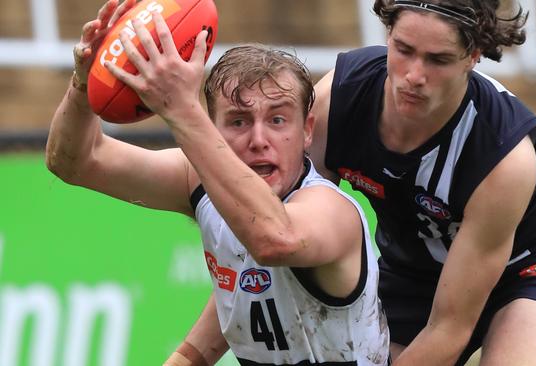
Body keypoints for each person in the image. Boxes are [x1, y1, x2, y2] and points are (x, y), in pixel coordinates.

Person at [45, 1, 389, 365]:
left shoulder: (330, 210)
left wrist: (181, 110)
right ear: (215, 131)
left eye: (277, 120)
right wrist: (85, 82)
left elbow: (275, 238)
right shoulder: (198, 180)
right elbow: (74, 162)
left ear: (307, 131)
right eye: (238, 122)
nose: (259, 139)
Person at [305, 0, 536, 365]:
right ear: (388, 35)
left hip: (531, 264)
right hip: (417, 273)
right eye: (403, 50)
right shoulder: (337, 101)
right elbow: (282, 232)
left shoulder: (503, 155)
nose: (414, 75)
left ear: (472, 56)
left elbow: (450, 330)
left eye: (438, 60)